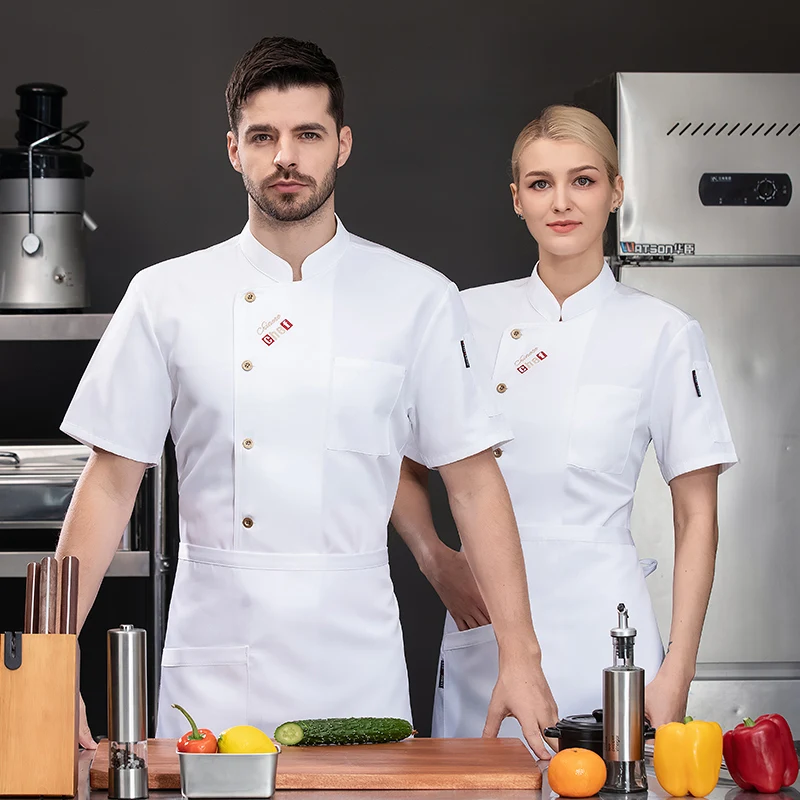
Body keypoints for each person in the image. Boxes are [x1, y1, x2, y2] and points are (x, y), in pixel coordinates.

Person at [55, 36, 559, 758]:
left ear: (342, 145)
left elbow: (475, 483)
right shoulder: (165, 295)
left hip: (354, 662)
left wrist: (522, 656)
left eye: (307, 135)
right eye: (263, 136)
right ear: (235, 150)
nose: (285, 156)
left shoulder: (416, 297)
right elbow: (109, 484)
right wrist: (49, 656)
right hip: (214, 656)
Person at [391, 105, 738, 743]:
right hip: (485, 629)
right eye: (540, 183)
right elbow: (394, 464)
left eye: (582, 180)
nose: (562, 203)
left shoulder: (663, 333)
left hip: (608, 636)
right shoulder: (463, 317)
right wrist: (437, 562)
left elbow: (696, 516)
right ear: (516, 199)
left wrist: (676, 671)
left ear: (616, 192)